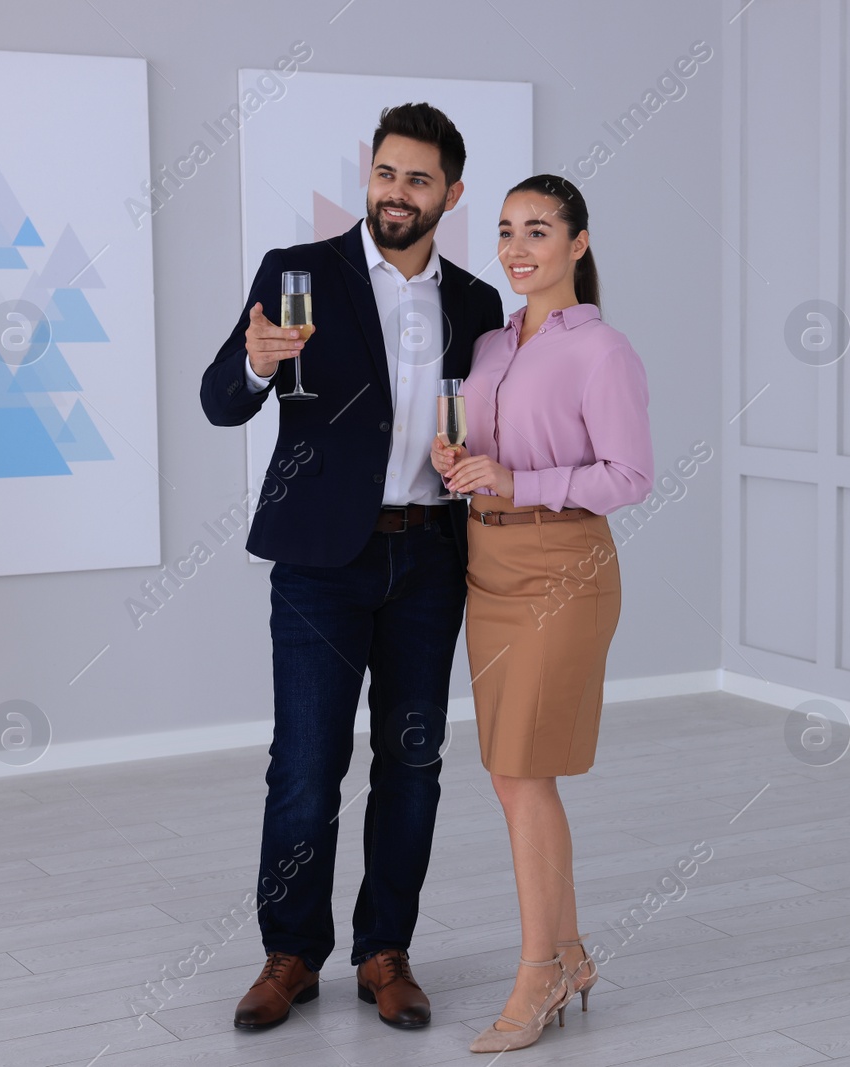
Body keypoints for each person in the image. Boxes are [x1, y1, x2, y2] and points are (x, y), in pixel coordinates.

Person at [200, 102, 504, 1033]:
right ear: (368, 177)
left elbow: (488, 423)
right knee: (305, 764)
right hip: (321, 561)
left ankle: (386, 951)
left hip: (431, 555)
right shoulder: (298, 274)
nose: (396, 193)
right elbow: (220, 401)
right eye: (385, 173)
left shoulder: (477, 304)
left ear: (451, 194)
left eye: (418, 179)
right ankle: (289, 953)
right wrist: (255, 364)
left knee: (413, 761)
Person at [431, 174, 653, 1053]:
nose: (517, 248)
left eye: (538, 230)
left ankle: (539, 978)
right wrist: (461, 459)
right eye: (505, 231)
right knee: (510, 773)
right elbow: (487, 452)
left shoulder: (604, 351)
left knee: (525, 772)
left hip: (563, 569)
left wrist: (520, 481)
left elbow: (629, 476)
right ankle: (569, 950)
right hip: (487, 566)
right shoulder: (489, 345)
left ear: (579, 243)